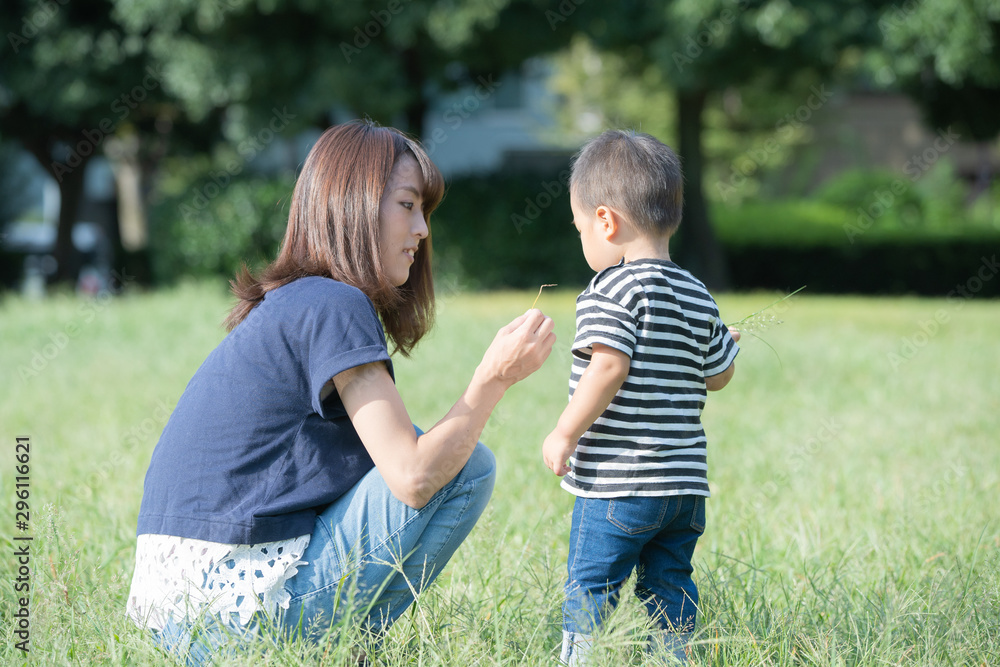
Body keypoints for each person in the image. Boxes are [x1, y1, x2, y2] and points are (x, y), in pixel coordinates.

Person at [126, 120, 556, 663]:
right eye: (407, 205)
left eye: (424, 211)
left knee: (433, 449)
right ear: (354, 205)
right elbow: (414, 477)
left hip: (176, 619)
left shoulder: (294, 302)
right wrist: (493, 378)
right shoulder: (335, 302)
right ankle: (351, 652)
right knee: (467, 467)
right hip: (234, 615)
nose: (422, 229)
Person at [541, 129, 740, 665]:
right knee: (670, 585)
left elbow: (609, 365)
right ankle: (673, 658)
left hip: (618, 483)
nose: (583, 240)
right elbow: (718, 376)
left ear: (605, 221)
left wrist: (564, 431)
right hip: (684, 488)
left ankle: (578, 660)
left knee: (591, 584)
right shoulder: (697, 293)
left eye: (580, 228)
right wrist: (724, 342)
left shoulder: (611, 289)